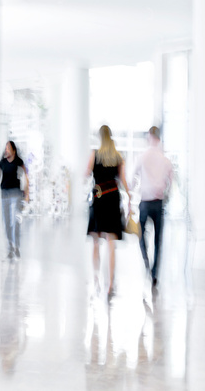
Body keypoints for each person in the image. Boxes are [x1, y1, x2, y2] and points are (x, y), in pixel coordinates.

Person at [87, 125, 130, 298]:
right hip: (113, 199)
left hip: (99, 199)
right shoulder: (118, 157)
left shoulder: (94, 154)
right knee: (111, 242)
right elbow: (124, 181)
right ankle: (111, 283)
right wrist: (131, 201)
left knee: (96, 240)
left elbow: (85, 173)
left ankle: (96, 278)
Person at [133, 126, 173, 288]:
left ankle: (146, 262)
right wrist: (166, 193)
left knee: (141, 233)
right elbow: (171, 181)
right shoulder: (165, 159)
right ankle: (155, 273)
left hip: (145, 202)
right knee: (158, 240)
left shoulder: (142, 157)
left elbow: (132, 178)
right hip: (158, 202)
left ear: (150, 136)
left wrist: (133, 189)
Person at [0, 141, 29, 259]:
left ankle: (17, 246)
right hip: (5, 195)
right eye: (5, 148)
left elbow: (26, 177)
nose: (6, 150)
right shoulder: (2, 163)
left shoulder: (19, 162)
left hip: (16, 194)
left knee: (15, 221)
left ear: (13, 150)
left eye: (8, 148)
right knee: (7, 222)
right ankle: (10, 246)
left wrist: (27, 194)